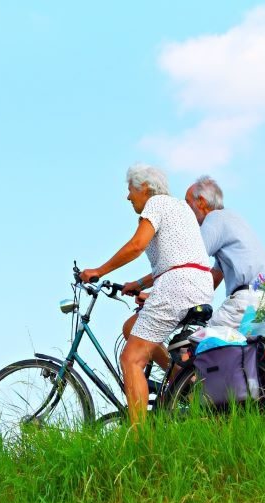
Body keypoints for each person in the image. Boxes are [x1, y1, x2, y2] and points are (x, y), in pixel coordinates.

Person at [80, 164, 213, 425]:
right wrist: (139, 283)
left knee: (131, 359)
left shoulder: (156, 204)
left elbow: (137, 245)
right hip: (197, 284)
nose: (128, 197)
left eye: (130, 190)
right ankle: (181, 382)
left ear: (144, 188)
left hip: (177, 286)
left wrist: (99, 270)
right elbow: (179, 258)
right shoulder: (179, 208)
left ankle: (140, 441)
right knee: (132, 327)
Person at [185, 176, 265, 330]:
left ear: (201, 201)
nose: (186, 210)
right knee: (243, 352)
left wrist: (159, 296)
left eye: (187, 203)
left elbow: (188, 260)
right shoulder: (233, 219)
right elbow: (214, 276)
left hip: (245, 302)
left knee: (199, 345)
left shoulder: (214, 218)